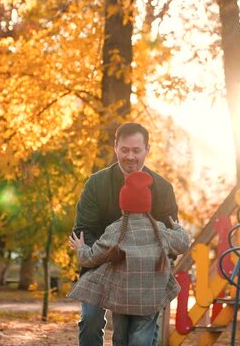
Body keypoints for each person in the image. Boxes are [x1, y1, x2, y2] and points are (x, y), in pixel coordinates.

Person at [72, 122, 179, 345]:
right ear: (115, 148)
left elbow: (170, 236)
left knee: (140, 329)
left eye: (136, 150)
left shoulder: (162, 188)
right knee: (90, 318)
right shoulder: (96, 184)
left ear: (147, 150)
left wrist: (146, 262)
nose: (130, 156)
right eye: (125, 150)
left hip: (144, 272)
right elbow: (84, 230)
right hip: (100, 264)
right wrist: (111, 255)